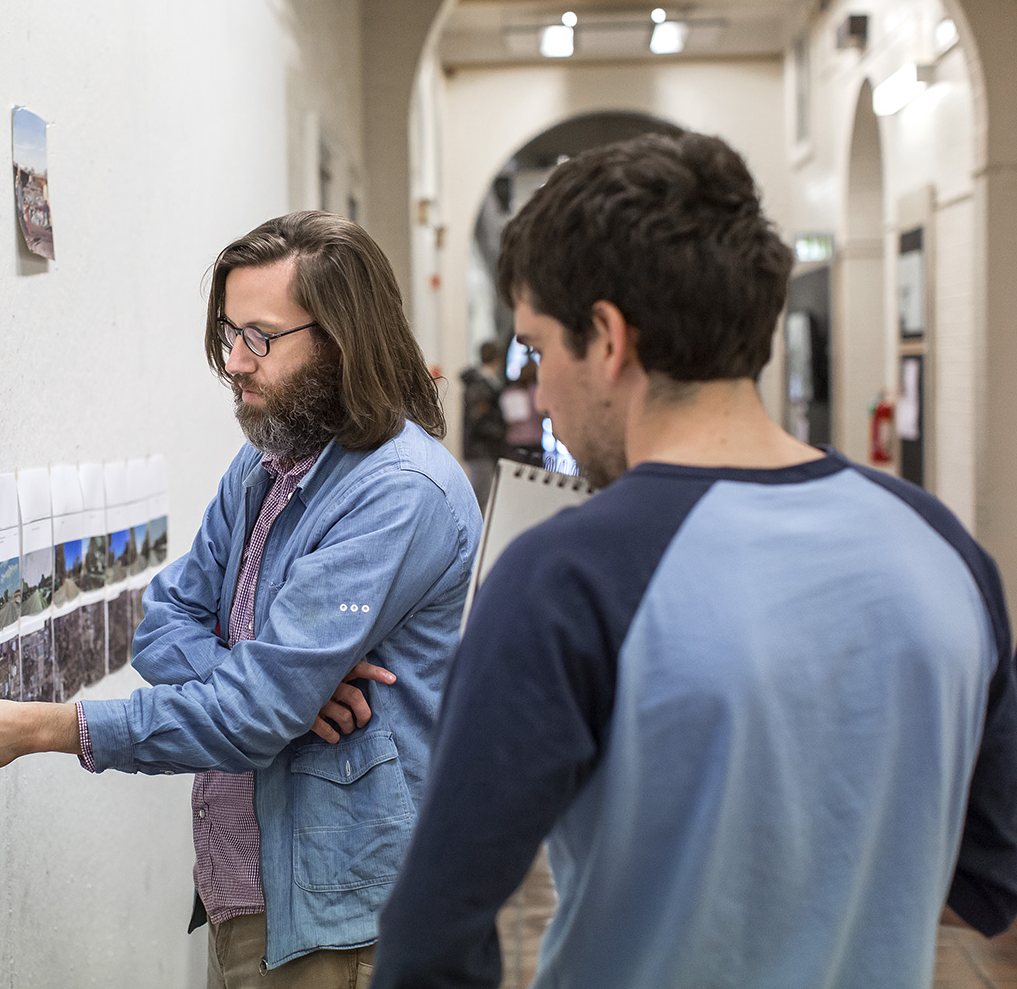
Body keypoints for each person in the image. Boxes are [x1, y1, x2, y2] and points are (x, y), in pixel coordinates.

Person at [371, 133, 1017, 989]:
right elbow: (988, 883)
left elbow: (431, 942)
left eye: (536, 349)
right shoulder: (944, 550)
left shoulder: (566, 579)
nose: (542, 395)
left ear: (606, 338)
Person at [0, 210, 482, 987]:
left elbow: (253, 717)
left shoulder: (399, 490)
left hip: (346, 923)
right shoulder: (265, 464)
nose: (234, 361)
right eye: (228, 333)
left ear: (342, 339)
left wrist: (46, 728)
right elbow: (162, 627)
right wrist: (263, 682)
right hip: (249, 895)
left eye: (260, 337)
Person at [460, 340, 508, 505]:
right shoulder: (481, 385)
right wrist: (501, 429)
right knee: (482, 499)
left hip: (486, 449)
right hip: (481, 449)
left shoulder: (487, 383)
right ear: (497, 358)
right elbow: (479, 419)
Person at [499, 359, 543, 466]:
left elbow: (506, 417)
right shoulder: (537, 392)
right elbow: (543, 414)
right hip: (534, 441)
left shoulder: (510, 392)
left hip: (514, 442)